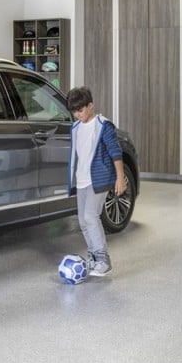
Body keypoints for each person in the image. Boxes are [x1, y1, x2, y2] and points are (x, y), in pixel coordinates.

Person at [66, 86, 126, 277]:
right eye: (74, 111)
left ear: (90, 105)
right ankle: (93, 257)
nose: (78, 115)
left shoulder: (103, 125)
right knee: (83, 221)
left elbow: (115, 152)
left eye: (81, 110)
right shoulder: (75, 128)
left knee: (91, 216)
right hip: (81, 179)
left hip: (99, 178)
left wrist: (120, 178)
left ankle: (103, 259)